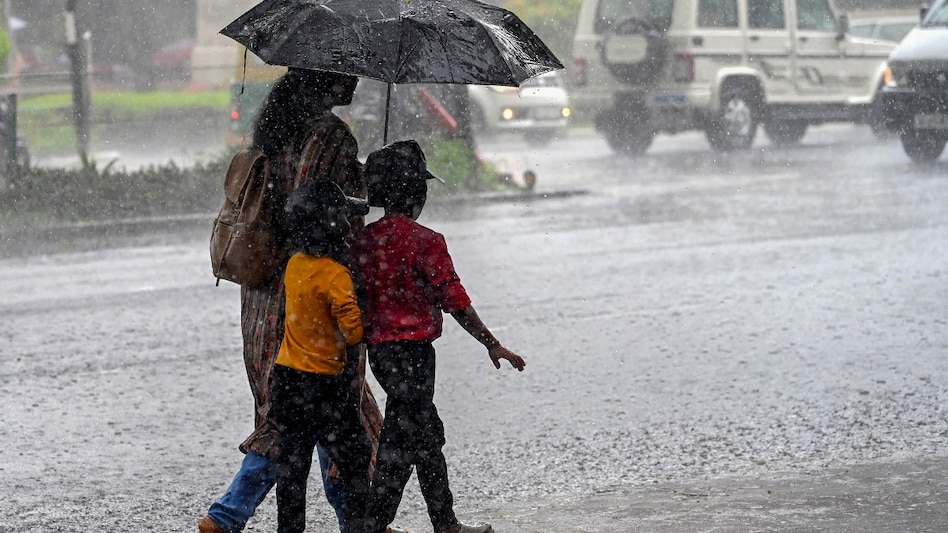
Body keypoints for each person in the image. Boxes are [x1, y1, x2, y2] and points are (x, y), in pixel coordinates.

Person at [199, 68, 385, 533]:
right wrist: (365, 184)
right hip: (311, 295)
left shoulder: (274, 128)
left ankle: (353, 521)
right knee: (338, 411)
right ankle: (228, 516)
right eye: (349, 70)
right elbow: (327, 210)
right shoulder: (331, 135)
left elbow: (286, 204)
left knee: (291, 410)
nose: (357, 80)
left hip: (263, 292)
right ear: (325, 76)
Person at [351, 140, 527, 533]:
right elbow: (455, 299)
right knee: (404, 439)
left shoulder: (361, 242)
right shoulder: (426, 241)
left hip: (379, 355)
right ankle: (377, 525)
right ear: (418, 193)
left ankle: (442, 524)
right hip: (415, 355)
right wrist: (491, 342)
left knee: (425, 435)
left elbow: (357, 299)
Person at [270, 178, 373, 533]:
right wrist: (363, 303)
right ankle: (359, 527)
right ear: (335, 227)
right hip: (325, 387)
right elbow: (354, 334)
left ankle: (290, 530)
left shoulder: (295, 265)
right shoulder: (336, 276)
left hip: (286, 380)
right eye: (345, 217)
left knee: (292, 470)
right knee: (354, 459)